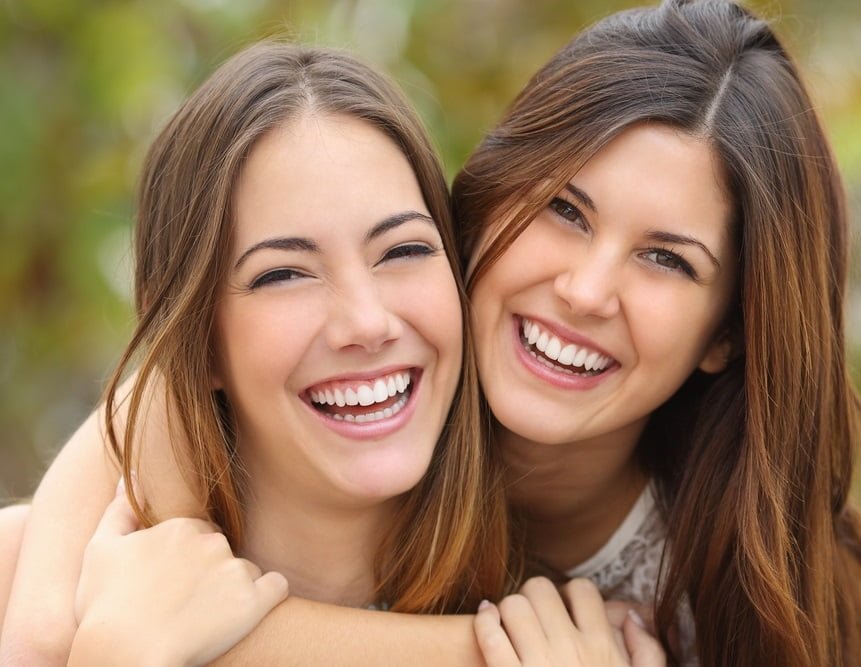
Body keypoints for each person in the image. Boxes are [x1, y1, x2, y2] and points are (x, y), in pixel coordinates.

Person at [4, 0, 860, 664]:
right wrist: (49, 620)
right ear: (481, 209)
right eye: (563, 209)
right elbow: (149, 431)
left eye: (667, 260)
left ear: (729, 332)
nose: (585, 289)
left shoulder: (747, 585)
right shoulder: (377, 389)